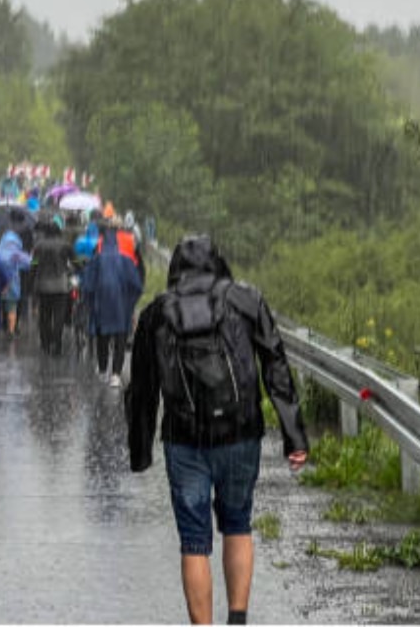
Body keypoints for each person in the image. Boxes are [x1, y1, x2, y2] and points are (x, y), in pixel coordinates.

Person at [126, 234, 309, 625]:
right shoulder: (245, 300)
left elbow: (142, 388)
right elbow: (275, 363)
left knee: (194, 542)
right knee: (238, 524)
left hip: (183, 439)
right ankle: (238, 619)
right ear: (218, 263)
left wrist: (140, 450)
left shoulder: (157, 312)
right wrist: (294, 435)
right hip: (240, 434)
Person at [82, 222, 143, 387]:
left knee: (103, 337)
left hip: (101, 305)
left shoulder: (96, 260)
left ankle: (103, 370)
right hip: (121, 307)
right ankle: (116, 374)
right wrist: (129, 303)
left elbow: (87, 285)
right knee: (120, 339)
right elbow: (136, 285)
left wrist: (90, 303)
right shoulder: (126, 261)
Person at [30, 217, 74, 355]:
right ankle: (57, 342)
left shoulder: (38, 246)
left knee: (45, 315)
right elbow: (76, 260)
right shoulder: (65, 245)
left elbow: (34, 265)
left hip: (43, 285)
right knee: (59, 316)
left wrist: (32, 282)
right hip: (61, 285)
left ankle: (45, 342)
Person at [0, 228, 32, 339]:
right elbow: (30, 263)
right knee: (12, 307)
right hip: (12, 284)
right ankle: (10, 331)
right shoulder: (17, 254)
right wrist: (36, 259)